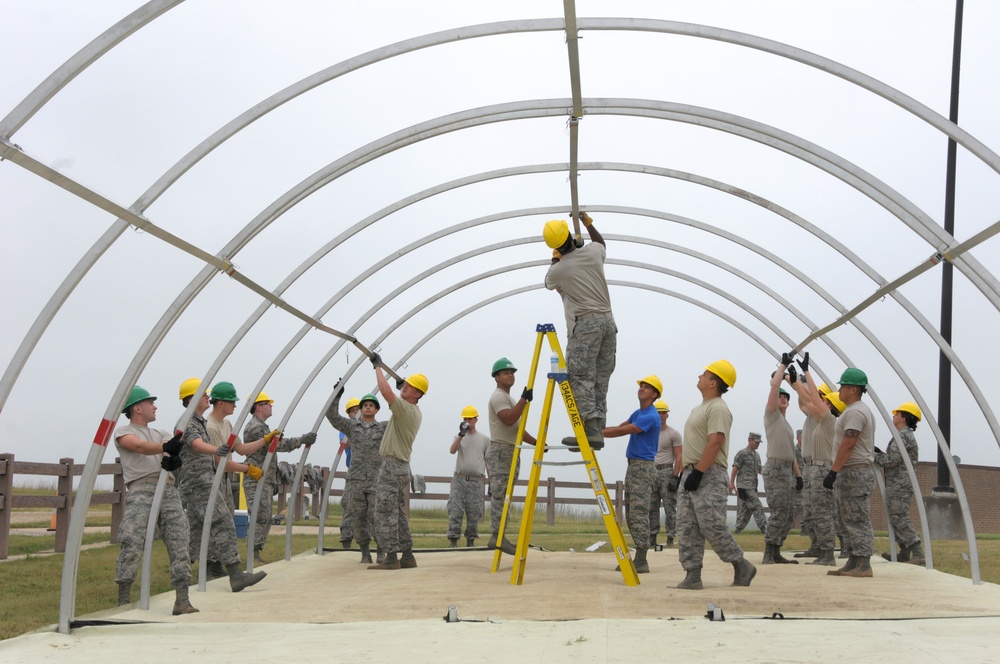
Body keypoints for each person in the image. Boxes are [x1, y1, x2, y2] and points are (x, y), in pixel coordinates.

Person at [177, 379, 268, 591]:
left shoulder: (198, 421)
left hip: (203, 481)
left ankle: (181, 577)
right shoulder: (189, 422)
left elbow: (239, 448)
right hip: (199, 483)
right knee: (224, 522)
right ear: (192, 399)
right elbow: (196, 444)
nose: (207, 397)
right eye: (203, 395)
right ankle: (235, 575)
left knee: (196, 536)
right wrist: (214, 450)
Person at [113, 386, 197, 615]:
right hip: (141, 488)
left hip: (167, 488)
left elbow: (172, 449)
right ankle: (124, 598)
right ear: (137, 408)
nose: (155, 406)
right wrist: (164, 450)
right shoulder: (123, 431)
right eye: (151, 403)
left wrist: (173, 457)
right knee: (132, 539)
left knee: (179, 537)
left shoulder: (160, 432)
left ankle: (182, 599)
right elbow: (139, 447)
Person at [676, 360, 756, 589]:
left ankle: (742, 565)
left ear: (714, 382)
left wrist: (699, 472)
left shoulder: (718, 407)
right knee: (686, 525)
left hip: (708, 473)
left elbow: (716, 441)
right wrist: (684, 472)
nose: (699, 376)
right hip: (691, 472)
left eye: (705, 374)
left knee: (711, 524)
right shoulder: (698, 408)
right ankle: (692, 575)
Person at [544, 212, 616, 448]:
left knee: (580, 376)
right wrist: (587, 223)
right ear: (571, 238)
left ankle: (591, 429)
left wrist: (557, 257)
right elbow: (600, 243)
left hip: (585, 325)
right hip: (608, 323)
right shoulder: (593, 253)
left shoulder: (558, 269)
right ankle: (597, 429)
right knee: (600, 377)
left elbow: (548, 282)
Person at [366, 353, 427, 571]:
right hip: (401, 467)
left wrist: (377, 367)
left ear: (417, 394)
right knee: (398, 513)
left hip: (392, 466)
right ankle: (407, 555)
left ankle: (391, 557)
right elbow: (396, 394)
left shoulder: (405, 410)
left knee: (384, 511)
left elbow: (385, 392)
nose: (405, 388)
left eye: (410, 387)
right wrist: (402, 386)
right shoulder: (412, 410)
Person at [242, 391, 317, 565]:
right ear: (259, 407)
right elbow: (278, 446)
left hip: (264, 479)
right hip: (256, 479)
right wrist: (301, 440)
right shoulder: (256, 427)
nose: (271, 406)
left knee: (265, 516)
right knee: (259, 516)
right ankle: (252, 556)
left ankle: (256, 553)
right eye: (268, 404)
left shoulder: (262, 427)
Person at [602, 376, 662, 573]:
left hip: (643, 468)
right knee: (632, 513)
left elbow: (624, 431)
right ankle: (640, 557)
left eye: (646, 388)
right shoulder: (639, 412)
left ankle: (642, 560)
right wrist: (597, 431)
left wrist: (598, 433)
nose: (642, 389)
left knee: (639, 513)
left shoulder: (651, 416)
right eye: (641, 386)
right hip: (634, 466)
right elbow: (621, 426)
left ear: (654, 395)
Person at [824, 368, 877, 578]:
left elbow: (849, 443)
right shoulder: (854, 410)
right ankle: (854, 561)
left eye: (843, 386)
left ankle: (863, 564)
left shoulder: (856, 412)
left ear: (853, 389)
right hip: (850, 472)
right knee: (847, 518)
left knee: (856, 519)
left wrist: (833, 471)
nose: (839, 390)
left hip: (854, 472)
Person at [790, 355, 841, 566]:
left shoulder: (829, 420)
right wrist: (792, 382)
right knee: (811, 512)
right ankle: (818, 547)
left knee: (822, 513)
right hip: (812, 469)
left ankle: (827, 553)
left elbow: (811, 396)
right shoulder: (816, 417)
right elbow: (806, 400)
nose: (819, 401)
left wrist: (805, 375)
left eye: (824, 399)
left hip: (821, 469)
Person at [326, 391, 387, 564]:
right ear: (360, 410)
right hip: (356, 480)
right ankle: (365, 552)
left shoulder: (383, 427)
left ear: (376, 410)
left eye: (371, 405)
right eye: (365, 405)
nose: (368, 407)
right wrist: (336, 396)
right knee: (358, 517)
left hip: (376, 479)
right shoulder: (352, 426)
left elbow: (401, 420)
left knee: (378, 516)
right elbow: (332, 416)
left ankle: (381, 551)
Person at [486, 357, 536, 555]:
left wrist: (537, 443)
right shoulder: (498, 397)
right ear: (496, 377)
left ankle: (500, 535)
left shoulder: (509, 399)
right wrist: (524, 400)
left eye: (512, 372)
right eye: (505, 372)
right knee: (500, 496)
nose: (510, 375)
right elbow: (508, 419)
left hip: (510, 450)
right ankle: (497, 536)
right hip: (501, 451)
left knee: (506, 495)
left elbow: (518, 429)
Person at [761, 355, 804, 564]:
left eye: (786, 397)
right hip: (775, 469)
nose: (783, 398)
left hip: (786, 470)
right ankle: (769, 552)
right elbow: (774, 386)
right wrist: (783, 367)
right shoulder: (772, 415)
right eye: (780, 396)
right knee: (779, 510)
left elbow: (792, 454)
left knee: (788, 513)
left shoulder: (786, 425)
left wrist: (798, 476)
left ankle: (777, 549)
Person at [875, 402, 925, 565]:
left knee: (899, 517)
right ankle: (904, 552)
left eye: (896, 414)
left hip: (900, 483)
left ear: (903, 418)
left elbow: (892, 461)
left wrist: (873, 456)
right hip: (898, 482)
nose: (893, 416)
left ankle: (918, 553)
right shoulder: (902, 434)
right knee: (895, 516)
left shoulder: (903, 435)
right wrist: (879, 453)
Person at [446, 405, 489, 548]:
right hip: (459, 479)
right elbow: (452, 450)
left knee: (474, 512)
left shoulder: (484, 439)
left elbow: (487, 461)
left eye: (470, 418)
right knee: (455, 510)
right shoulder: (459, 436)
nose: (467, 421)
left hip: (476, 481)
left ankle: (470, 541)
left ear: (476, 419)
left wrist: (491, 482)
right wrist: (460, 434)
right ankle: (453, 540)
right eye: (465, 418)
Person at [648, 399, 682, 548]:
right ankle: (652, 537)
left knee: (670, 507)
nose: (661, 416)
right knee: (652, 506)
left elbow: (679, 456)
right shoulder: (649, 433)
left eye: (663, 413)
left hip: (667, 471)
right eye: (658, 413)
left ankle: (670, 537)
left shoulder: (673, 434)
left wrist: (675, 476)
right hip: (652, 471)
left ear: (667, 415)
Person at [729, 433, 768, 534]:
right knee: (757, 506)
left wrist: (769, 471)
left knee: (746, 510)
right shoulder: (742, 454)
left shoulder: (757, 455)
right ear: (749, 440)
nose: (758, 445)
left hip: (752, 487)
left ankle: (738, 529)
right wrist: (731, 483)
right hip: (744, 486)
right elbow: (735, 468)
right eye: (756, 442)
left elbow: (760, 470)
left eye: (759, 443)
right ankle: (764, 528)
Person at [337, 397, 360, 549]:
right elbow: (345, 443)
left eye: (358, 409)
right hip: (354, 473)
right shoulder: (345, 430)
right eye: (352, 411)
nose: (356, 413)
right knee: (349, 506)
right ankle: (346, 540)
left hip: (372, 472)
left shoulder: (374, 427)